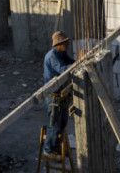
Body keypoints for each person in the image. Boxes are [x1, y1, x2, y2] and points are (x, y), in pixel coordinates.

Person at [42, 31, 76, 160]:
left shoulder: (61, 53)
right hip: (53, 95)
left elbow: (70, 62)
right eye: (65, 43)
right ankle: (48, 150)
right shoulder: (52, 56)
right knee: (54, 124)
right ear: (59, 44)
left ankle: (55, 145)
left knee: (62, 123)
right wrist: (75, 64)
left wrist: (79, 60)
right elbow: (63, 70)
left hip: (61, 93)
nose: (67, 45)